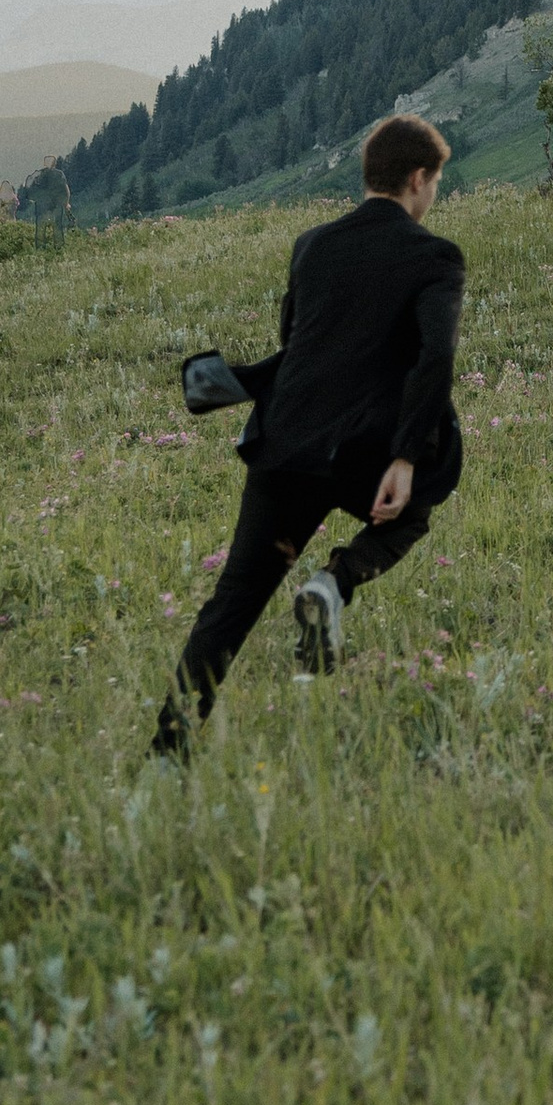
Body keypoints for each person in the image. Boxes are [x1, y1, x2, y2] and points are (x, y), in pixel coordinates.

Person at [151, 111, 464, 753]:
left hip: (285, 444)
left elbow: (296, 342)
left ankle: (165, 756)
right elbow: (435, 357)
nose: (434, 195)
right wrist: (406, 457)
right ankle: (334, 582)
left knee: (232, 604)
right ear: (416, 178)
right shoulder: (435, 256)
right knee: (420, 500)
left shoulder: (312, 245)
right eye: (435, 182)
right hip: (364, 456)